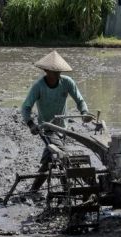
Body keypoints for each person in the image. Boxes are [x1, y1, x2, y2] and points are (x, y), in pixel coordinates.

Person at [21, 50, 92, 192]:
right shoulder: (39, 86)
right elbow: (26, 107)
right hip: (46, 128)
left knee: (52, 160)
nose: (58, 74)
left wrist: (84, 112)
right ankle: (73, 188)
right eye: (55, 72)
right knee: (61, 156)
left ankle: (34, 191)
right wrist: (31, 124)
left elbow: (79, 100)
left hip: (62, 128)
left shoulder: (67, 83)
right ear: (46, 71)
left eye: (59, 71)